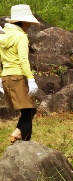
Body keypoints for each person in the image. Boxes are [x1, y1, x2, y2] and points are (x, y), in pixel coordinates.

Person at [0, 4, 40, 143]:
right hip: (18, 77)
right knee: (29, 112)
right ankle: (26, 146)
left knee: (28, 110)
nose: (29, 24)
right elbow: (23, 60)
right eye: (28, 21)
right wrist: (30, 79)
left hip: (6, 77)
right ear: (22, 21)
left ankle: (17, 134)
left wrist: (1, 78)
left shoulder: (3, 36)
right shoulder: (21, 37)